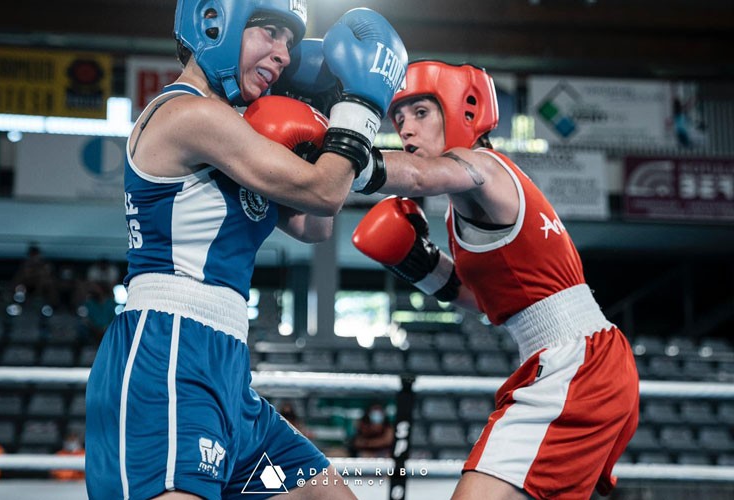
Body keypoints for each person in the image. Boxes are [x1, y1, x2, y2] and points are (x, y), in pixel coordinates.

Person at [84, 1, 407, 499]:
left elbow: (315, 225)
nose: (282, 55)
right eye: (270, 34)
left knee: (327, 494)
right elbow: (324, 190)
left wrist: (323, 122)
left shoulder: (242, 131)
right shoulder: (189, 114)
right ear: (215, 23)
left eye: (290, 43)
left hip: (226, 365)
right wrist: (359, 108)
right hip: (168, 353)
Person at [352, 60, 640, 499]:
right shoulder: (463, 209)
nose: (406, 130)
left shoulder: (480, 165)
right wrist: (424, 267)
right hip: (576, 361)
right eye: (400, 118)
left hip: (577, 362)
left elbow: (416, 176)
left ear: (462, 111)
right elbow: (490, 301)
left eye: (421, 113)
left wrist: (338, 151)